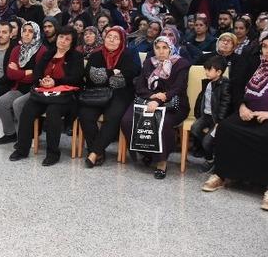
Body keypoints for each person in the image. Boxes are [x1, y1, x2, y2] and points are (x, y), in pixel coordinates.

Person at [202, 28, 268, 210]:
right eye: (264, 46)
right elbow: (237, 85)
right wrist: (242, 106)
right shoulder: (253, 62)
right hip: (248, 111)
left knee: (266, 136)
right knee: (225, 128)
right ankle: (221, 174)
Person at [120, 36, 190, 180]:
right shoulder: (149, 62)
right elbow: (140, 86)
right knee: (127, 121)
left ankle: (161, 161)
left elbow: (179, 87)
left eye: (165, 48)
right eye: (157, 48)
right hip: (148, 99)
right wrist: (152, 97)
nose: (161, 51)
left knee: (162, 123)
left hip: (173, 103)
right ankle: (148, 153)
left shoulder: (181, 64)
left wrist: (159, 99)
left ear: (171, 48)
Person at [11, 25, 83, 166]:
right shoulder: (48, 53)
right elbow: (37, 72)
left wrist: (55, 82)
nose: (62, 41)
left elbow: (76, 78)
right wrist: (42, 80)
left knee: (53, 112)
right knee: (28, 109)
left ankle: (53, 153)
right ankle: (22, 149)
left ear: (72, 42)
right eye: (61, 37)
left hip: (64, 96)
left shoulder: (76, 56)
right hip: (44, 92)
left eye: (67, 39)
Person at [78, 26, 137, 167]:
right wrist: (112, 72)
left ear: (122, 41)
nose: (111, 39)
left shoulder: (127, 55)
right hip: (96, 93)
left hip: (120, 94)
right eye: (109, 36)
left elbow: (127, 77)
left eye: (116, 38)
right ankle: (99, 152)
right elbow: (91, 77)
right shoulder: (96, 54)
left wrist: (103, 74)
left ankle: (93, 153)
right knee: (85, 115)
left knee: (113, 117)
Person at [0, 21, 45, 147]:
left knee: (18, 104)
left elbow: (37, 77)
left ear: (36, 34)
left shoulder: (42, 50)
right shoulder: (17, 49)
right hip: (19, 88)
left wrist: (19, 72)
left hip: (35, 90)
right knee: (2, 102)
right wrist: (25, 73)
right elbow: (10, 74)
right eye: (24, 31)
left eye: (30, 31)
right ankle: (11, 134)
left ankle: (26, 137)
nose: (27, 34)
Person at [189, 55, 232, 173]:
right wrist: (199, 114)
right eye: (206, 69)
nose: (206, 72)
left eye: (209, 70)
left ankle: (210, 160)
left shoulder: (225, 85)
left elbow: (225, 104)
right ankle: (212, 150)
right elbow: (202, 99)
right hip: (206, 115)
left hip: (217, 118)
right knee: (195, 128)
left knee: (207, 141)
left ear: (218, 72)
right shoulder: (208, 83)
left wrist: (220, 122)